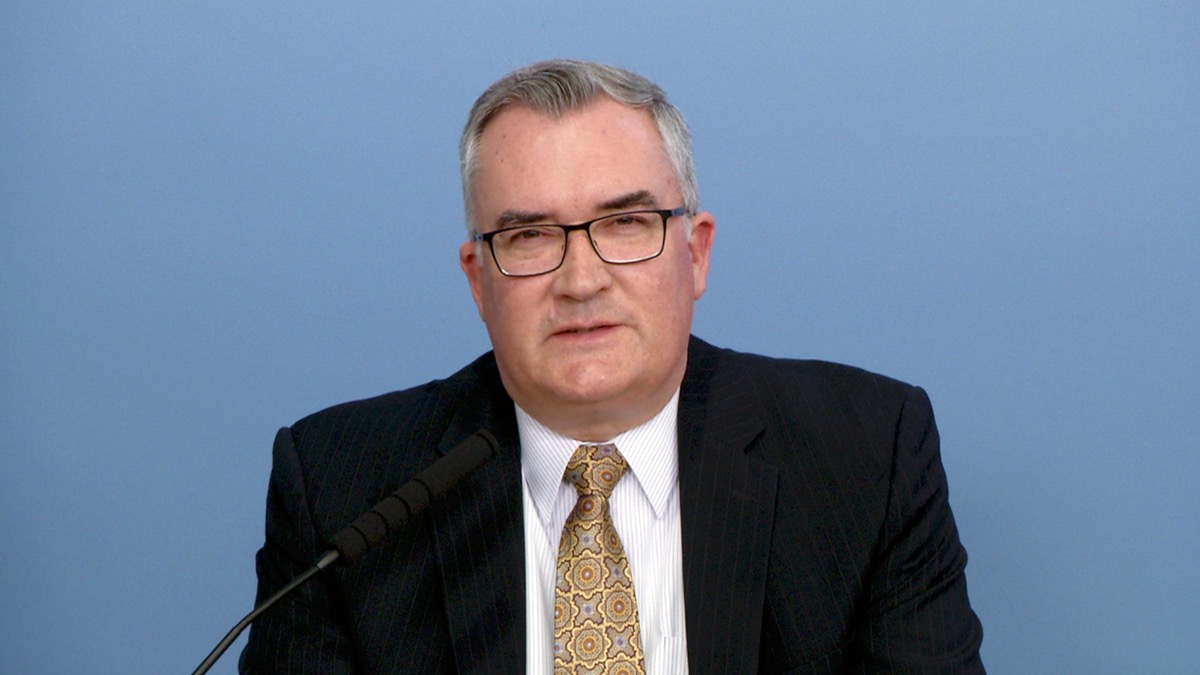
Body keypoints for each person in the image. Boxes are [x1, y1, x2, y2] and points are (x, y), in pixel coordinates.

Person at [240, 59, 984, 674]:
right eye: (530, 235)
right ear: (478, 281)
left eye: (625, 223)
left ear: (695, 253)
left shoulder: (866, 455)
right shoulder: (343, 490)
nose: (581, 279)